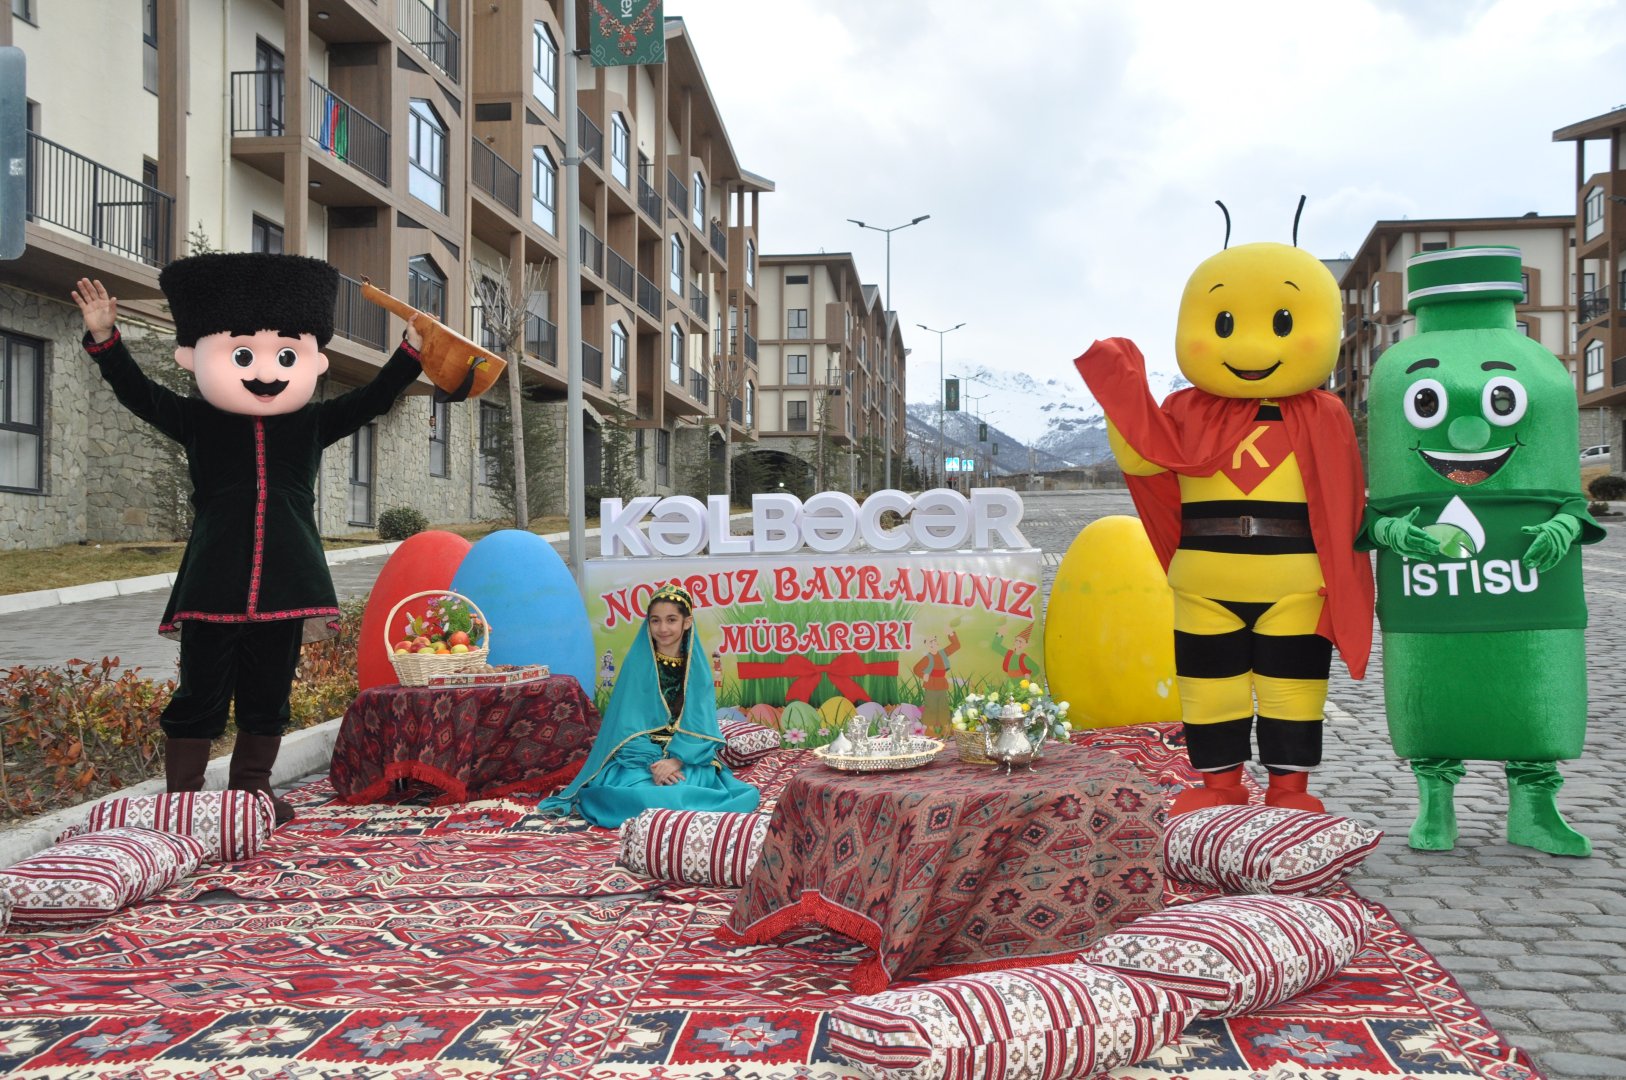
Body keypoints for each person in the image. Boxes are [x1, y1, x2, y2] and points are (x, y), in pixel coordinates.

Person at [72, 260, 424, 823]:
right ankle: (184, 802)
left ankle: (250, 795)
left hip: (288, 581)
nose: (267, 371)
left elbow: (373, 399)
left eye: (286, 356)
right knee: (199, 694)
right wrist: (104, 339)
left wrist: (408, 354)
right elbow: (137, 393)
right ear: (195, 360)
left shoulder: (309, 423)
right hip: (213, 582)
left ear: (314, 361)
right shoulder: (194, 419)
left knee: (268, 695)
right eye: (243, 356)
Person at [540, 584, 759, 828]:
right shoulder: (637, 665)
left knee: (686, 788)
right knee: (630, 792)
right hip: (640, 758)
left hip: (685, 756)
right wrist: (655, 764)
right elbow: (626, 725)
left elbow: (702, 724)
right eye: (655, 620)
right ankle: (662, 808)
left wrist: (675, 761)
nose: (663, 628)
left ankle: (669, 810)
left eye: (671, 620)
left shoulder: (696, 670)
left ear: (686, 623)